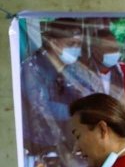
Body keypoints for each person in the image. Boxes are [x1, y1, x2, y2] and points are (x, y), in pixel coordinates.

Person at [21, 18, 99, 159]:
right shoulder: (32, 68)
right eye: (71, 44)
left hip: (73, 141)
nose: (76, 49)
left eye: (78, 44)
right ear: (53, 42)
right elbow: (41, 109)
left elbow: (92, 93)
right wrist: (79, 111)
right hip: (42, 147)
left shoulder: (73, 68)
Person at [85, 27, 125, 100]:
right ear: (95, 51)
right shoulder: (83, 71)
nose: (115, 51)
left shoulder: (122, 70)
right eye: (109, 48)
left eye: (116, 48)